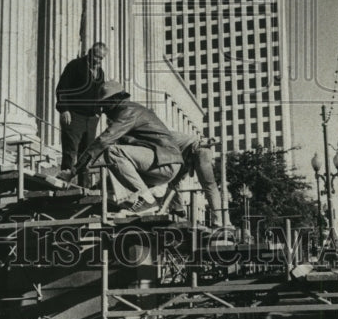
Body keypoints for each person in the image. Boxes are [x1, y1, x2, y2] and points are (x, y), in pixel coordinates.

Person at [66, 80, 223, 220]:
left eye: (104, 105)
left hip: (170, 160)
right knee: (114, 165)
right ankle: (143, 202)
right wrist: (94, 187)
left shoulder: (127, 112)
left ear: (114, 100)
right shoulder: (128, 120)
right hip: (160, 163)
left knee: (113, 152)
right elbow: (109, 162)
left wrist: (73, 170)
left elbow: (102, 142)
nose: (102, 111)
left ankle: (147, 200)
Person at [55, 41, 108, 188]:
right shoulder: (75, 65)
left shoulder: (100, 73)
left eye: (101, 59)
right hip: (74, 115)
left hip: (91, 118)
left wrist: (98, 112)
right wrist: (64, 109)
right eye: (97, 57)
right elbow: (62, 88)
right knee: (70, 150)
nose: (98, 61)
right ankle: (64, 184)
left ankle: (84, 186)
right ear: (90, 52)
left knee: (87, 153)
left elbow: (100, 94)